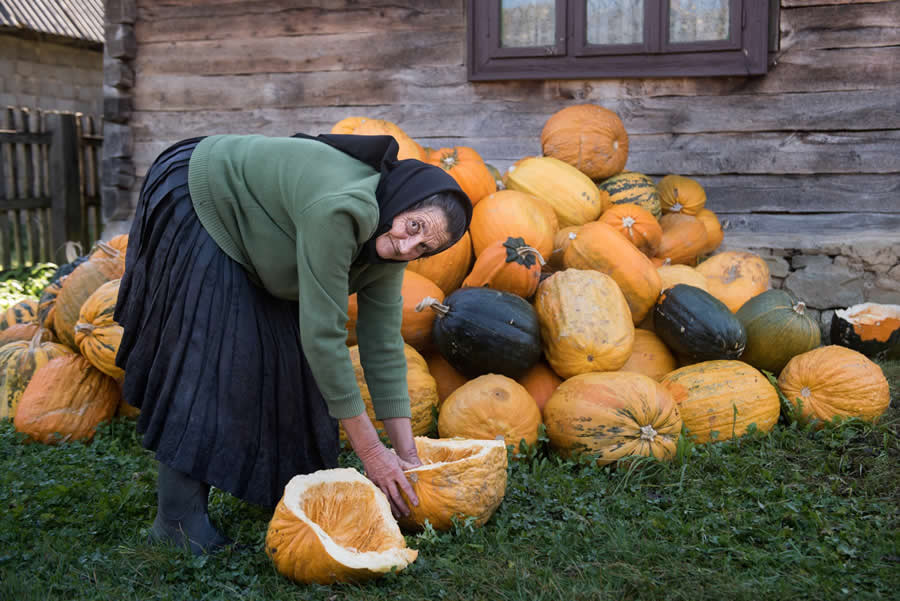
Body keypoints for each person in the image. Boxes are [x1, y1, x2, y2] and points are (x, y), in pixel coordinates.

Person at [113, 132, 472, 555]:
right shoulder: (342, 210)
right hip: (200, 192)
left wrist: (407, 455)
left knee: (289, 370)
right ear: (404, 201)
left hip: (258, 230)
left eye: (424, 247)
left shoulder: (391, 246)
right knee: (209, 355)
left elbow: (382, 345)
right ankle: (176, 524)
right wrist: (372, 453)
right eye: (414, 227)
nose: (408, 246)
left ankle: (286, 495)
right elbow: (324, 339)